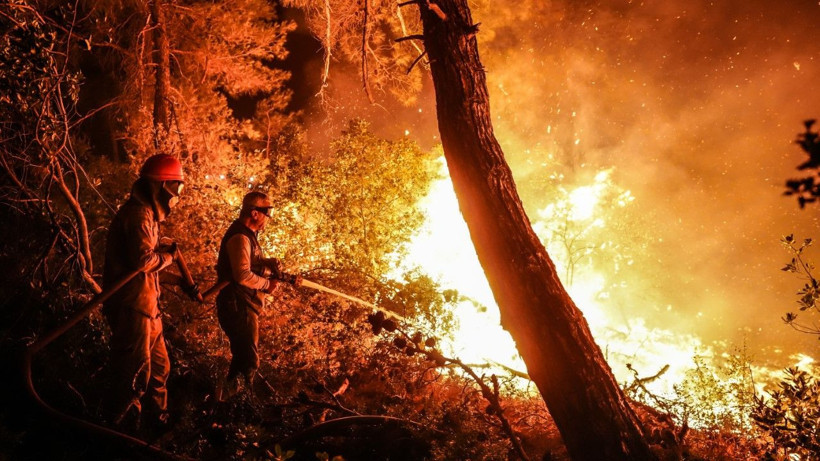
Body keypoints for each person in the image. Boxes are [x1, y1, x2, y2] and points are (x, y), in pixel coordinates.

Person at [102, 153, 188, 431]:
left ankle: (156, 425)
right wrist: (169, 258)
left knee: (160, 369)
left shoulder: (149, 216)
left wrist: (175, 279)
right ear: (160, 187)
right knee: (134, 374)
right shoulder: (138, 214)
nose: (177, 194)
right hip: (132, 308)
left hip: (149, 307)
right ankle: (124, 434)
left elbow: (147, 266)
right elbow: (142, 261)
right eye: (176, 187)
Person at [215, 191, 298, 399]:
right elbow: (242, 274)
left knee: (241, 359)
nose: (268, 219)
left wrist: (267, 262)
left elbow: (248, 264)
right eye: (266, 213)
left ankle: (224, 404)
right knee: (249, 361)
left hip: (244, 304)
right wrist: (267, 284)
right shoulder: (240, 237)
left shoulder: (248, 236)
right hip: (238, 305)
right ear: (254, 213)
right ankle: (232, 403)